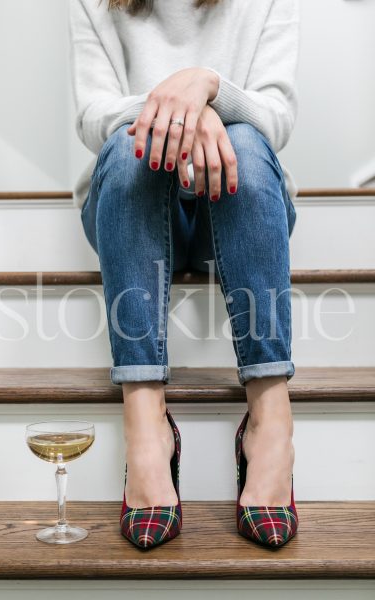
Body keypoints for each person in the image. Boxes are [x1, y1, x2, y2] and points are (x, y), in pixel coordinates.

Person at [69, 0, 300, 549]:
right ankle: (146, 419)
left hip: (238, 207)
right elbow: (93, 115)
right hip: (138, 212)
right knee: (130, 147)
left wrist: (209, 86)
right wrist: (179, 111)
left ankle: (270, 417)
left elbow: (277, 118)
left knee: (245, 139)